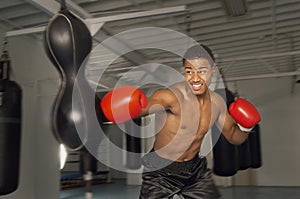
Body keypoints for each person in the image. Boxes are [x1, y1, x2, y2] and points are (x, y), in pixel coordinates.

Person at [100, 44, 261, 199]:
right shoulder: (171, 96)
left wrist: (246, 126)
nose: (195, 78)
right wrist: (127, 107)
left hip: (194, 168)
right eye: (189, 71)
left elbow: (234, 136)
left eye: (202, 71)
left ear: (213, 70)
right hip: (160, 170)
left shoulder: (217, 104)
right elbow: (145, 107)